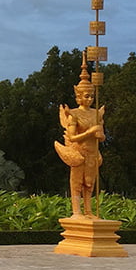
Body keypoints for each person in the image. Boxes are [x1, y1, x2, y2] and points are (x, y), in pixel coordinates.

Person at [54, 58, 105, 218]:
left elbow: (102, 136)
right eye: (86, 96)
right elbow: (72, 137)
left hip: (92, 153)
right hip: (79, 153)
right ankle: (77, 211)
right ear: (78, 96)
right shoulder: (74, 114)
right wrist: (90, 132)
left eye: (91, 96)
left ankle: (89, 211)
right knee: (77, 184)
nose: (89, 99)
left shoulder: (96, 113)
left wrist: (99, 134)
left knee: (89, 185)